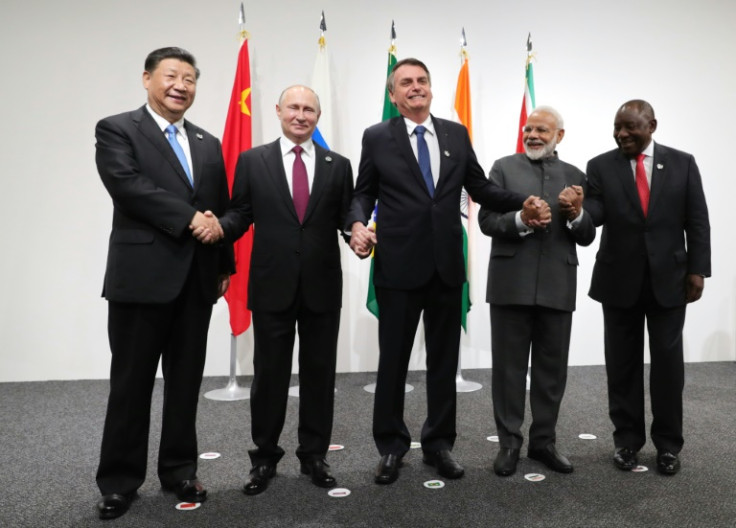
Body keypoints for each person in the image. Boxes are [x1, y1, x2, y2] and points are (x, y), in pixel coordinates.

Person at [346, 57, 551, 485]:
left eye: (422, 81)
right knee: (393, 364)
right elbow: (363, 192)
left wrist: (522, 201)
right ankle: (391, 447)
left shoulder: (455, 134)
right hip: (398, 268)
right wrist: (357, 224)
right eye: (406, 82)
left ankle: (439, 445)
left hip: (446, 269)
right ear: (393, 94)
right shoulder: (377, 137)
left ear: (431, 88)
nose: (415, 87)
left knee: (444, 363)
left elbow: (480, 187)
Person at [94, 47, 232, 520]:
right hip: (141, 280)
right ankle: (118, 481)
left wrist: (223, 265)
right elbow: (127, 187)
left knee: (185, 384)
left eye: (190, 78)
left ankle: (179, 470)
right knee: (130, 384)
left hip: (196, 282)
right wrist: (192, 218)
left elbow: (218, 208)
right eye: (171, 75)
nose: (181, 85)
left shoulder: (208, 142)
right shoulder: (117, 129)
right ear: (147, 78)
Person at [213, 85, 353, 495]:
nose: (301, 115)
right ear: (278, 111)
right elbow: (240, 213)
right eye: (293, 107)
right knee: (269, 376)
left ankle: (314, 455)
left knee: (319, 374)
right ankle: (264, 458)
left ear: (318, 115)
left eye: (309, 109)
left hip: (322, 286)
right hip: (272, 284)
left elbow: (347, 217)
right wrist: (220, 228)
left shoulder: (338, 164)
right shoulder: (252, 161)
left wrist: (357, 233)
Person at [585, 100, 711, 475]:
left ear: (651, 125)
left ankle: (669, 446)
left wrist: (698, 270)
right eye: (617, 128)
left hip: (670, 282)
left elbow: (698, 220)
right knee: (621, 367)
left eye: (630, 127)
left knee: (668, 369)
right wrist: (577, 212)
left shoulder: (682, 163)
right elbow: (596, 211)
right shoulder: (600, 165)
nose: (621, 134)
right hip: (618, 281)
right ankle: (626, 442)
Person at [478, 106, 595, 477]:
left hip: (558, 286)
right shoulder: (502, 168)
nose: (532, 135)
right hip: (510, 284)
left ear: (559, 135)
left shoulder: (576, 176)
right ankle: (509, 443)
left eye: (542, 130)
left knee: (551, 371)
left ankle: (543, 443)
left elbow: (588, 234)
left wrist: (576, 213)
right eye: (528, 129)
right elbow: (485, 221)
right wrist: (520, 219)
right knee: (509, 370)